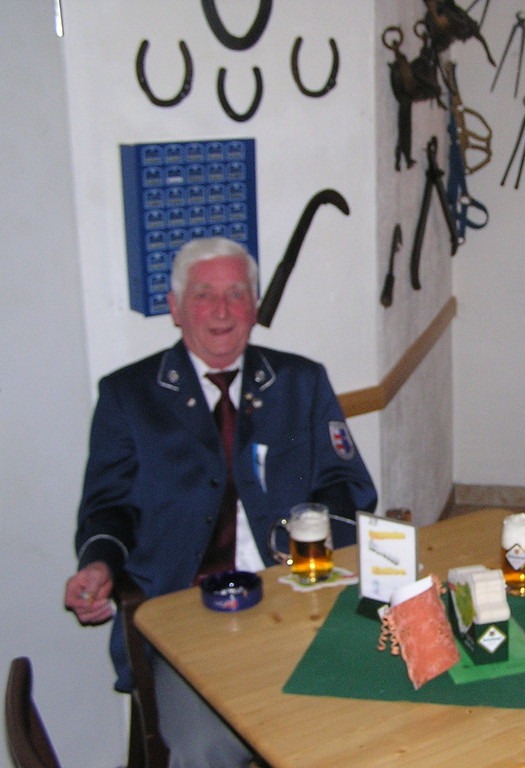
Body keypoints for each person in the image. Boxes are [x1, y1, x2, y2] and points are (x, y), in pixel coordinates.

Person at [64, 237, 377, 768]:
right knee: (203, 746)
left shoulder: (301, 382)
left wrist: (322, 555)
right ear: (175, 307)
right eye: (204, 295)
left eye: (236, 294)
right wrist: (99, 564)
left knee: (373, 710)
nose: (222, 311)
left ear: (254, 306)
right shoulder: (129, 396)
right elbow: (108, 507)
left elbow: (347, 487)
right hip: (185, 619)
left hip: (299, 601)